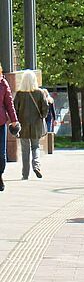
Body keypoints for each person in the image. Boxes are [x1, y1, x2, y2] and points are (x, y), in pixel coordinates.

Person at [13, 70, 48, 180]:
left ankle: (25, 174)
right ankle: (36, 165)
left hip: (23, 125)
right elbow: (45, 108)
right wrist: (42, 116)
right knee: (35, 147)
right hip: (36, 124)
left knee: (25, 150)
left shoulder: (19, 94)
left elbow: (15, 109)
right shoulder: (40, 93)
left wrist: (16, 121)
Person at [0, 63, 19, 191]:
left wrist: (14, 120)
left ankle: (0, 175)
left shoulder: (3, 83)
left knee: (1, 155)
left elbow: (9, 103)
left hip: (0, 123)